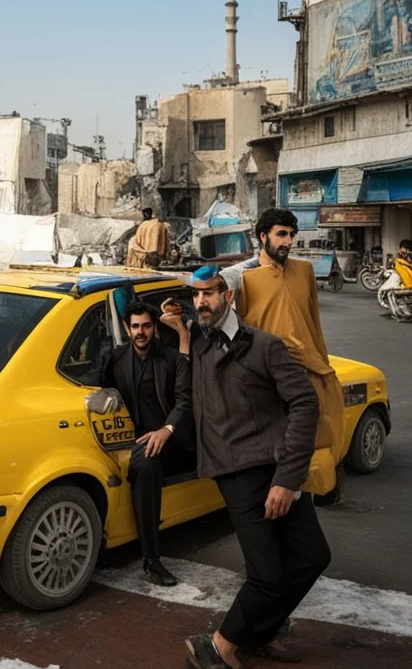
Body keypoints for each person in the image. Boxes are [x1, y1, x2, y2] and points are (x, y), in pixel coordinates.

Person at [182, 266, 328, 669]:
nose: (200, 302)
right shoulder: (195, 344)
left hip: (278, 469)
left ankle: (257, 633)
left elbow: (304, 404)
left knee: (313, 557)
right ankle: (219, 647)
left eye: (208, 293)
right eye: (195, 295)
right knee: (266, 574)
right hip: (236, 473)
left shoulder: (265, 346)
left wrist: (287, 478)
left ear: (228, 297)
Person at [223, 208, 345, 501]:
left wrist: (324, 365)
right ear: (263, 236)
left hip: (309, 370)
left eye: (291, 235)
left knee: (317, 441)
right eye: (281, 234)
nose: (287, 241)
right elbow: (216, 294)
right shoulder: (242, 276)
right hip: (267, 379)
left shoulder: (303, 271)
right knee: (276, 452)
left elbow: (314, 324)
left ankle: (315, 494)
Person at [98, 301, 193, 587]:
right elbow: (97, 388)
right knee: (145, 461)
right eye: (136, 326)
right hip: (130, 439)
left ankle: (151, 561)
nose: (141, 332)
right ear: (128, 329)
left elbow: (185, 401)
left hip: (169, 440)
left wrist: (166, 429)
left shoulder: (172, 359)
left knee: (148, 467)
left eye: (147, 326)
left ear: (155, 328)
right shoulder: (115, 358)